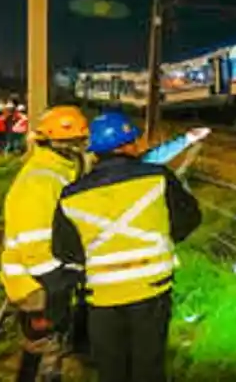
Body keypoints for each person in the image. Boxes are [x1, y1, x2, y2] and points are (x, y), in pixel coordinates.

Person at [49, 112, 202, 382]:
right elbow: (190, 218)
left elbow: (64, 250)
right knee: (149, 367)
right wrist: (160, 237)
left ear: (95, 152)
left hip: (102, 296)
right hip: (152, 289)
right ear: (130, 144)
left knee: (111, 370)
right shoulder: (158, 177)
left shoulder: (71, 195)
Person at [1, 106, 91, 382]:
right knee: (43, 353)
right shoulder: (41, 181)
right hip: (37, 284)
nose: (83, 149)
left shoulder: (58, 171)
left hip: (45, 280)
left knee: (46, 349)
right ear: (59, 145)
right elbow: (33, 242)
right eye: (76, 143)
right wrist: (59, 280)